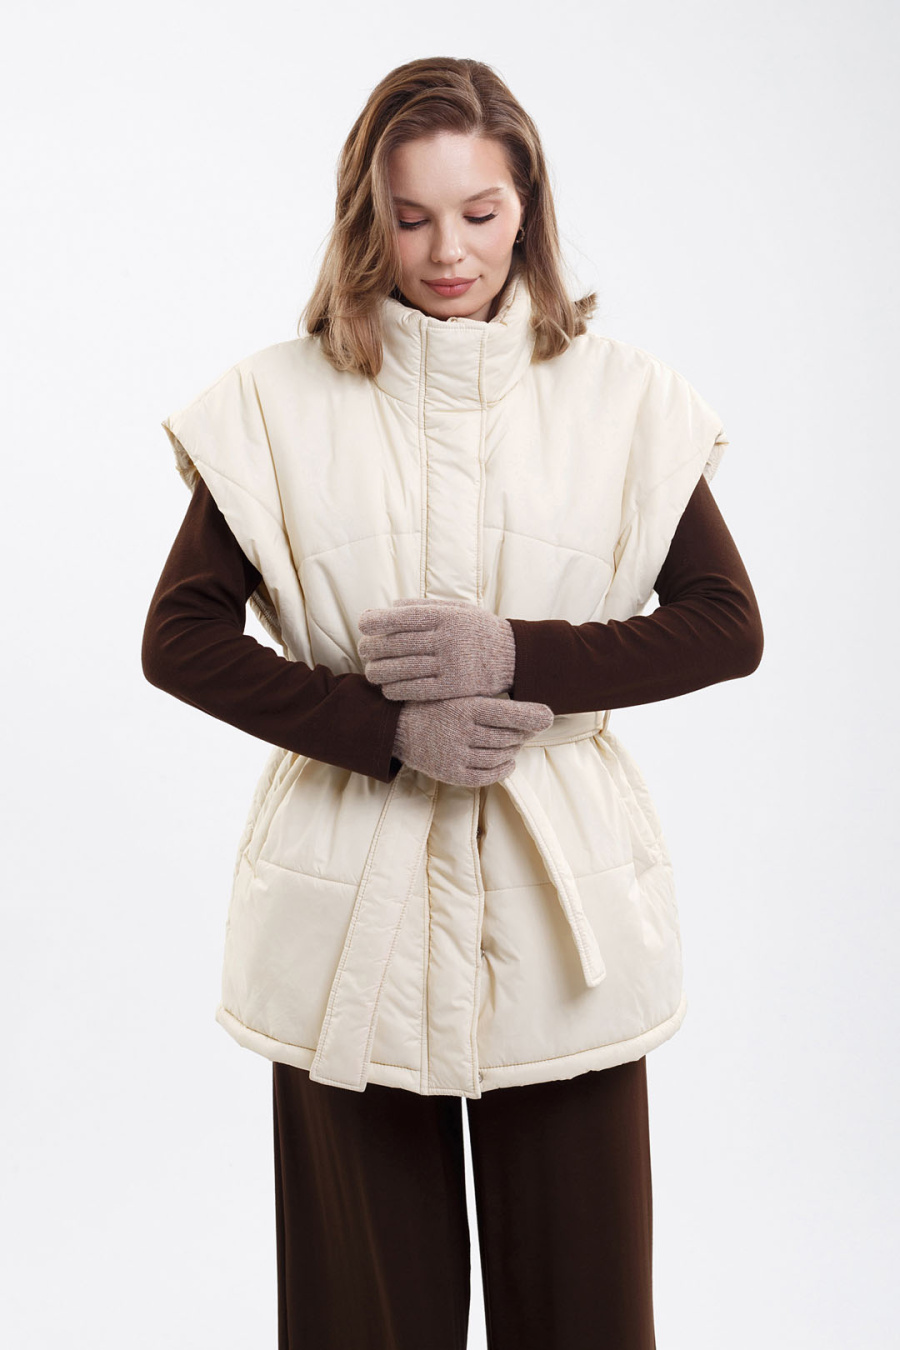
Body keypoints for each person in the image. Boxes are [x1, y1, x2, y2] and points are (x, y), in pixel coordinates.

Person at [142, 55, 763, 1350]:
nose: (447, 252)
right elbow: (179, 638)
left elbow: (726, 623)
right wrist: (384, 730)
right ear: (366, 214)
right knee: (362, 1325)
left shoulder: (625, 401)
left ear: (526, 204)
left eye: (479, 213)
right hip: (345, 925)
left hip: (564, 916)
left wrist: (516, 655)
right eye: (412, 217)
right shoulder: (275, 402)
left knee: (587, 1318)